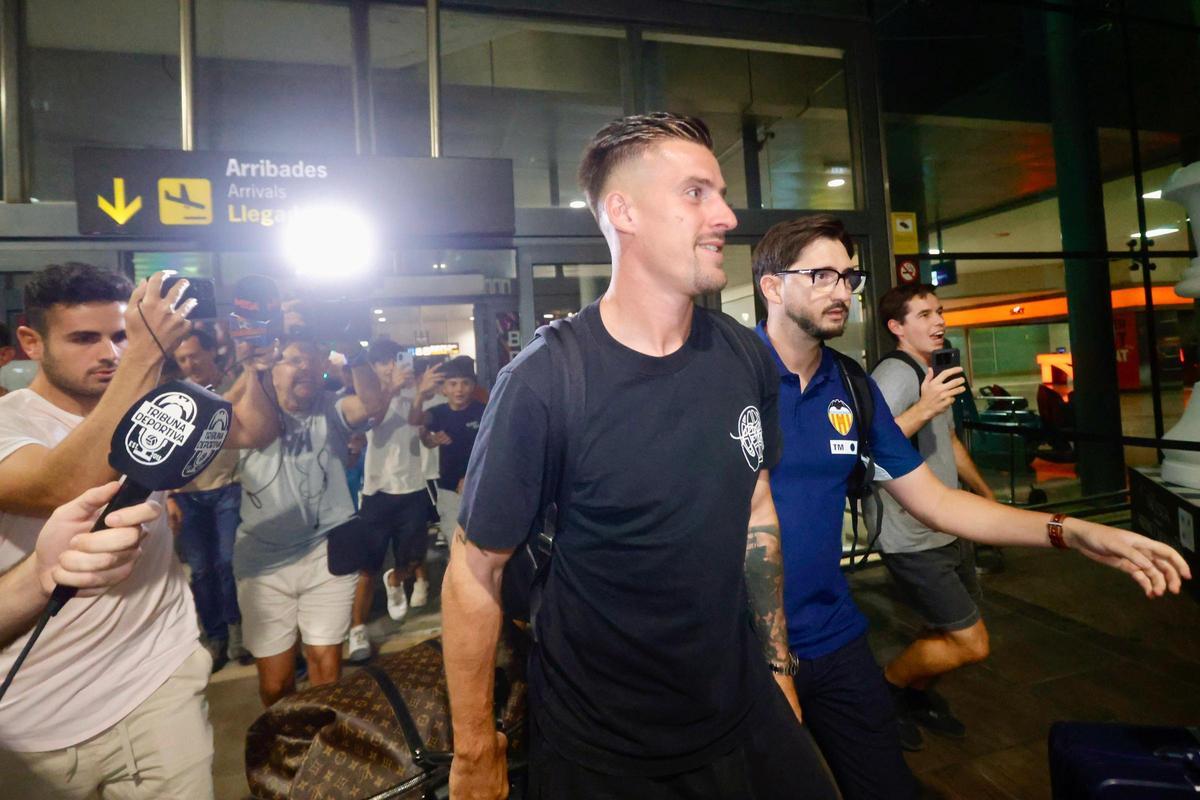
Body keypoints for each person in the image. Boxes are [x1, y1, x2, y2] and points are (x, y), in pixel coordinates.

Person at [443, 113, 837, 800]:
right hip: (604, 749)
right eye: (696, 193)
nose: (725, 216)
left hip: (739, 712)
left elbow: (755, 511)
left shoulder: (742, 356)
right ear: (623, 212)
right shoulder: (545, 380)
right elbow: (474, 573)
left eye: (721, 194)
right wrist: (476, 749)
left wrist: (778, 670)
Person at [751, 214, 1191, 799]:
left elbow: (937, 502)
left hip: (833, 636)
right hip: (739, 648)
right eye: (822, 275)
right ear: (772, 285)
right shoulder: (729, 379)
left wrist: (1072, 530)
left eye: (849, 277)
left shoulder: (850, 385)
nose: (842, 291)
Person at [0, 264, 277, 799]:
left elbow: (251, 430)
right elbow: (60, 486)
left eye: (121, 335)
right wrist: (145, 353)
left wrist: (256, 367)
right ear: (32, 342)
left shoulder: (155, 397)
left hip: (158, 681)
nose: (110, 353)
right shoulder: (10, 423)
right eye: (84, 338)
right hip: (35, 717)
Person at [867, 283, 996, 743]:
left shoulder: (933, 370)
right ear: (897, 327)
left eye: (939, 312)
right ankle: (884, 693)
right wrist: (923, 408)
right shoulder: (895, 374)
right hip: (911, 533)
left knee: (942, 626)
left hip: (948, 525)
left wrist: (985, 495)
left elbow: (949, 441)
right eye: (923, 315)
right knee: (971, 643)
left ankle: (913, 696)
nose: (939, 321)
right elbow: (869, 445)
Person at [234, 336, 387, 706]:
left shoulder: (330, 407)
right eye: (292, 360)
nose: (303, 367)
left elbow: (372, 404)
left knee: (326, 671)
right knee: (276, 684)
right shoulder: (250, 411)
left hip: (325, 553)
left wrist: (356, 352)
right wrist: (249, 370)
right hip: (263, 561)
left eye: (311, 360)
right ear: (272, 369)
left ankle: (320, 740)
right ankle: (285, 738)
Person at [347, 340, 435, 663]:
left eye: (394, 360)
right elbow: (375, 417)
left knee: (413, 558)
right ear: (372, 367)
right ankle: (357, 629)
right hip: (378, 492)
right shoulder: (368, 398)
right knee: (367, 566)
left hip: (412, 488)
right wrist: (392, 388)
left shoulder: (412, 391)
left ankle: (395, 579)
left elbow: (415, 421)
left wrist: (420, 394)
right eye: (383, 362)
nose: (390, 367)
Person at [167, 328, 249, 671]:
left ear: (212, 351)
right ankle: (215, 636)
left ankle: (237, 631)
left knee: (229, 563)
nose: (190, 364)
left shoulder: (234, 385)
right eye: (183, 359)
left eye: (195, 355)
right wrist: (169, 495)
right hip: (187, 495)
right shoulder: (174, 395)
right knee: (200, 571)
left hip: (228, 487)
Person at [0, 483, 158, 649]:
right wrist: (38, 578)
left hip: (162, 634)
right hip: (62, 653)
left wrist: (38, 575)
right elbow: (76, 481)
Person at [417, 355, 482, 544]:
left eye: (465, 383)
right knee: (455, 542)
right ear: (443, 389)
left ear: (473, 386)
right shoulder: (437, 413)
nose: (459, 389)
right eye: (453, 384)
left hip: (480, 487)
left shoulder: (485, 411)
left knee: (481, 544)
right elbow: (423, 434)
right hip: (448, 489)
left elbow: (493, 451)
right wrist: (430, 438)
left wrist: (471, 478)